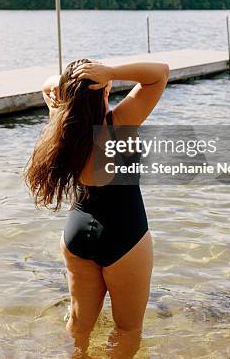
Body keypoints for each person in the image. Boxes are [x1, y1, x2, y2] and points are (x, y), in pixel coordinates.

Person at [25, 59, 169, 357]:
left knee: (79, 324)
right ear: (106, 90)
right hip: (124, 236)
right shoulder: (121, 125)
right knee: (127, 330)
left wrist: (71, 82)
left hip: (76, 235)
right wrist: (112, 72)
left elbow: (47, 85)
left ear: (68, 94)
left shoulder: (61, 127)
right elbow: (160, 73)